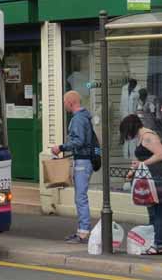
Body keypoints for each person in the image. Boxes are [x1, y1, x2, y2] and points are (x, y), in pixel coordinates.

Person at [51, 90, 95, 244]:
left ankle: (83, 232)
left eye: (64, 102)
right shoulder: (85, 117)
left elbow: (79, 141)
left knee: (80, 198)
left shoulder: (77, 119)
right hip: (85, 160)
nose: (64, 105)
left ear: (70, 102)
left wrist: (61, 147)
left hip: (82, 162)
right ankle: (81, 230)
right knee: (80, 197)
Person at [120, 114, 162, 254]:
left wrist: (141, 164)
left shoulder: (148, 136)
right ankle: (154, 242)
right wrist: (132, 171)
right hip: (149, 180)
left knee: (158, 213)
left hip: (157, 179)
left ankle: (158, 244)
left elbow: (160, 154)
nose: (127, 136)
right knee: (153, 213)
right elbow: (140, 159)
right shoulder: (141, 138)